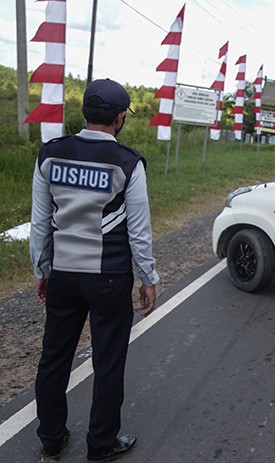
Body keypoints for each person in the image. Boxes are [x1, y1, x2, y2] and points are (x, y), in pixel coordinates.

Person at [30, 78, 160, 462]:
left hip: (64, 276)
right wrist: (148, 277)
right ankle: (101, 444)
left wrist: (42, 269)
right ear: (120, 118)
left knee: (54, 358)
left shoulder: (49, 154)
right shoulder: (128, 161)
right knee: (108, 361)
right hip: (109, 276)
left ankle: (51, 439)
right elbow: (138, 229)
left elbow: (41, 223)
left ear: (84, 110)